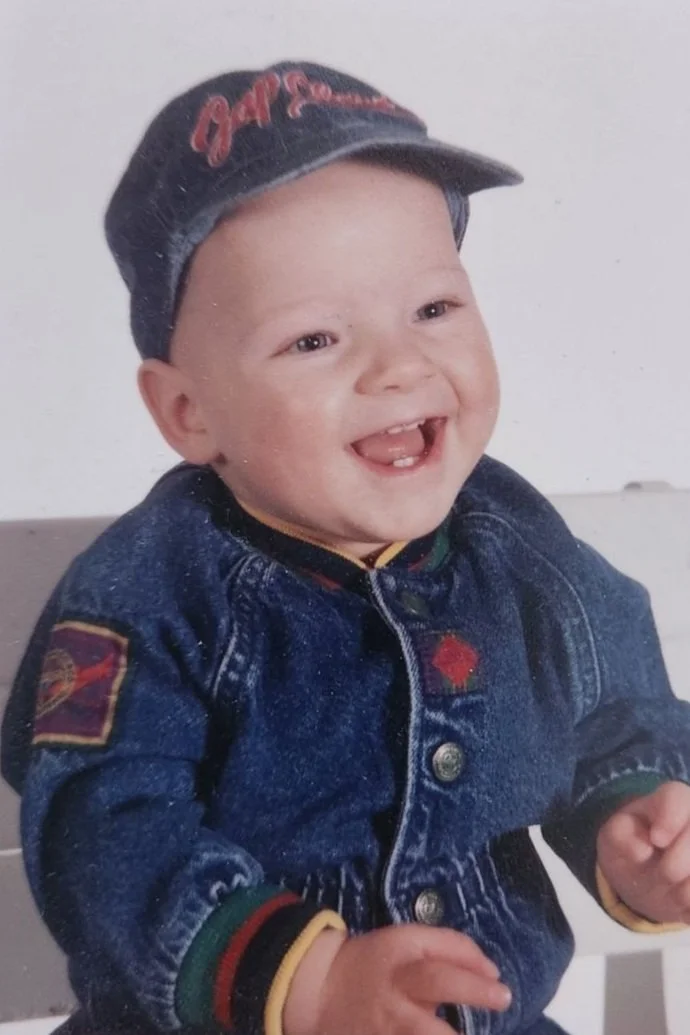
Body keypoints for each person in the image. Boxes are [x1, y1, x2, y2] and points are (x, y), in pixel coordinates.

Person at [2, 60, 690, 1035]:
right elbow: (104, 824)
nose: (399, 364)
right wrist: (304, 980)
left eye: (434, 310)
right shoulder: (150, 592)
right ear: (189, 412)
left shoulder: (518, 548)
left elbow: (614, 717)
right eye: (315, 340)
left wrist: (636, 828)